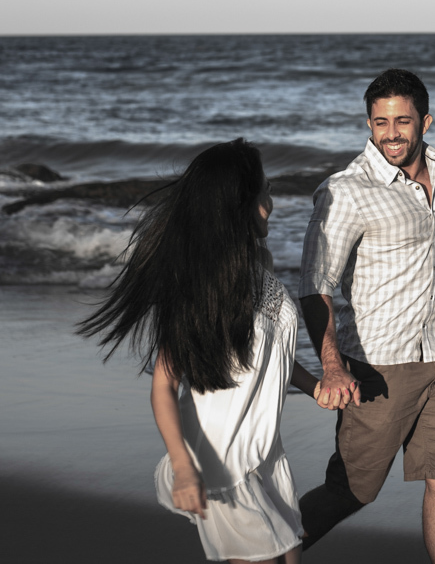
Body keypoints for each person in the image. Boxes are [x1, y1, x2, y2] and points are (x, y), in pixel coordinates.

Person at [77, 139, 330, 564]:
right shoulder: (202, 288)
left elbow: (265, 357)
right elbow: (163, 386)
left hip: (261, 453)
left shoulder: (257, 265)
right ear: (240, 204)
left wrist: (315, 386)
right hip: (222, 462)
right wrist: (183, 466)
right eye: (264, 193)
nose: (271, 203)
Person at [297, 69, 435, 564]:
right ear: (368, 124)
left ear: (426, 120)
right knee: (351, 492)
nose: (391, 133)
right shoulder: (346, 192)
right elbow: (314, 286)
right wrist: (332, 368)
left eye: (402, 121)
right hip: (379, 368)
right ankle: (262, 554)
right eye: (381, 122)